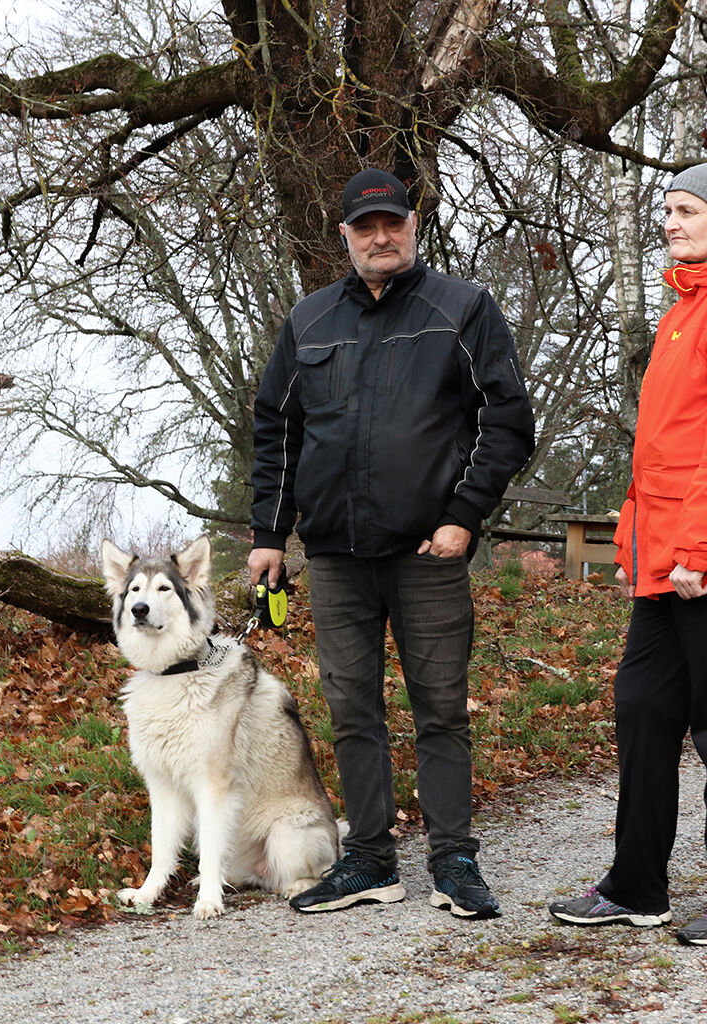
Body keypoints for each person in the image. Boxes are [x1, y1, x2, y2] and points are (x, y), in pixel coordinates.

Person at [248, 168, 535, 918]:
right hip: (336, 556)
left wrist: (464, 514)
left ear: (413, 226)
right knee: (351, 708)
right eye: (366, 227)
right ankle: (371, 859)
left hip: (427, 554)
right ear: (343, 236)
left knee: (439, 706)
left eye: (394, 224)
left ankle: (454, 860)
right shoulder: (309, 321)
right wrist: (268, 535)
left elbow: (507, 422)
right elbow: (275, 426)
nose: (382, 237)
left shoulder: (462, 309)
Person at [548, 161, 707, 945]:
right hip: (672, 556)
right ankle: (637, 885)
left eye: (687, 210)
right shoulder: (687, 309)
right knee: (643, 707)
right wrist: (636, 536)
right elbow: (659, 449)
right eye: (666, 209)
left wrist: (695, 545)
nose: (671, 221)